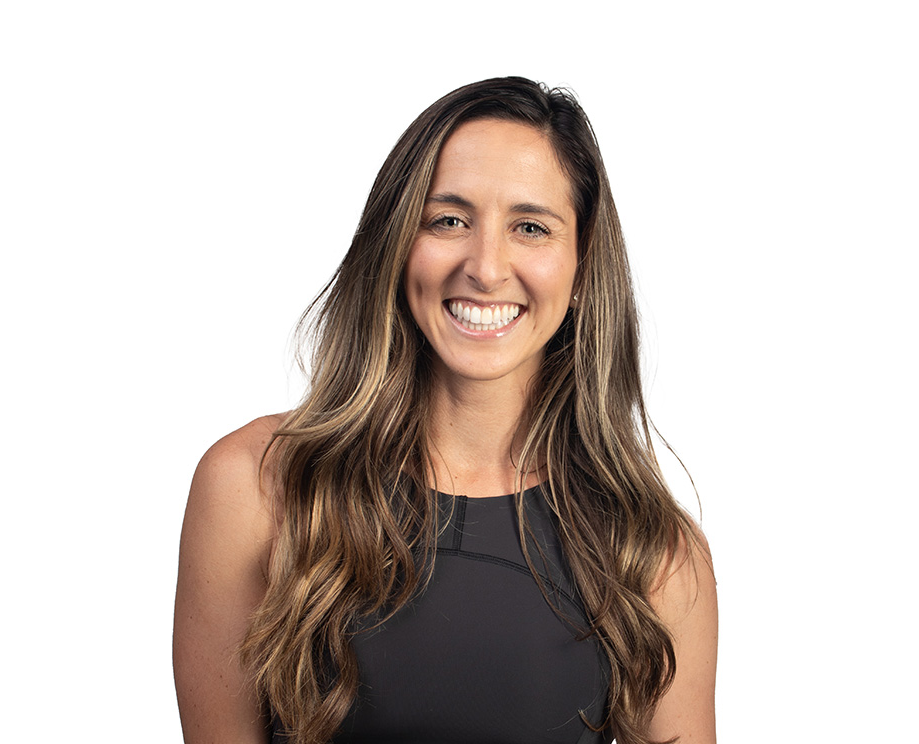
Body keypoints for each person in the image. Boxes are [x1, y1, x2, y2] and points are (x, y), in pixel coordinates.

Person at [173, 76, 717, 744]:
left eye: (530, 227)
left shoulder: (654, 552)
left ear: (581, 267)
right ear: (398, 244)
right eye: (448, 220)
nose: (486, 267)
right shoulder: (255, 486)